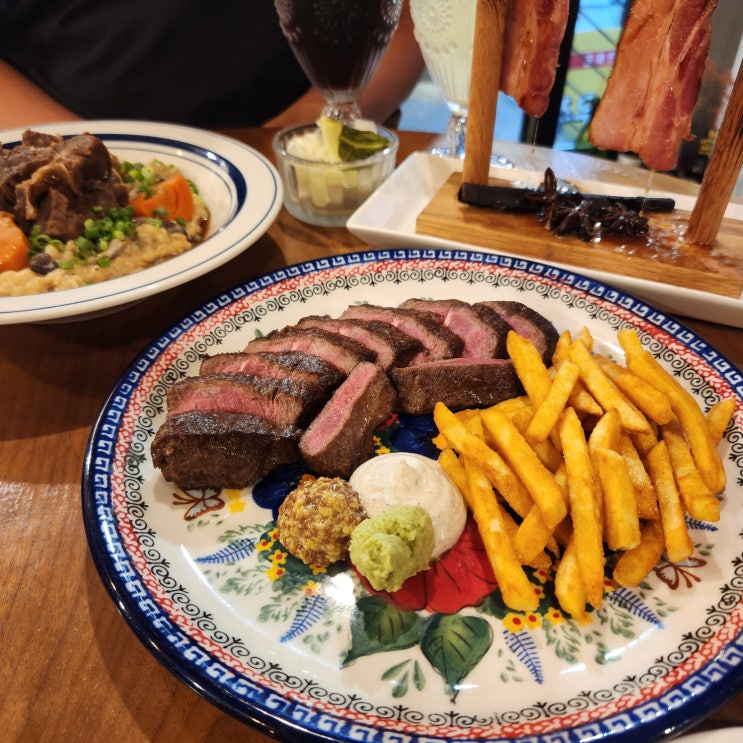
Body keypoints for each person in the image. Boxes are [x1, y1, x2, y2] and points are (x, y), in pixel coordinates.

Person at [0, 0, 424, 131]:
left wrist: (321, 118)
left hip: (298, 145)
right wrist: (91, 152)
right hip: (67, 147)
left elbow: (406, 12)